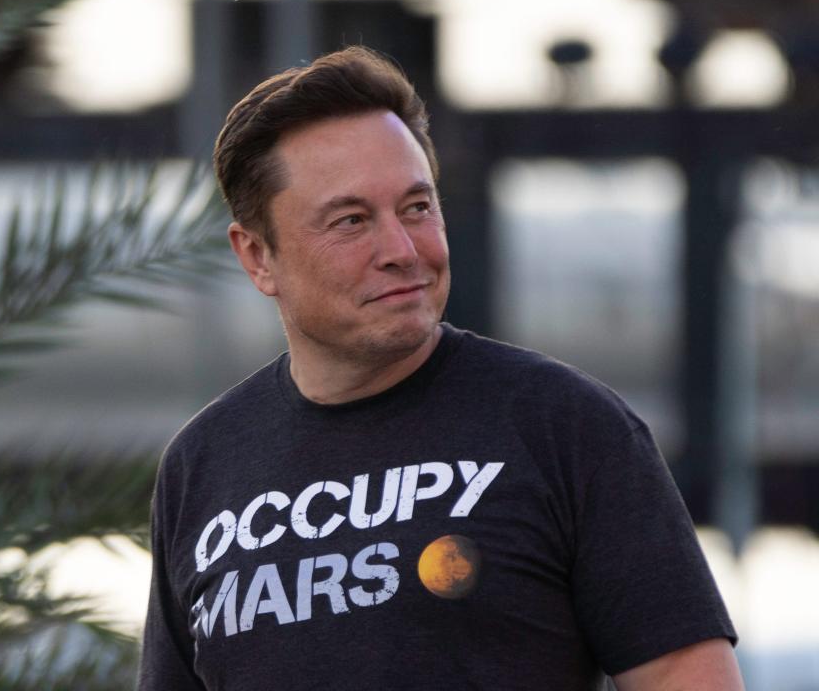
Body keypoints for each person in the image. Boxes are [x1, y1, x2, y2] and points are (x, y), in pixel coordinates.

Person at [138, 46, 744, 691]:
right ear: (258, 256)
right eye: (351, 221)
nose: (401, 250)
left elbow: (686, 674)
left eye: (417, 207)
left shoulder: (564, 426)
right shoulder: (202, 465)